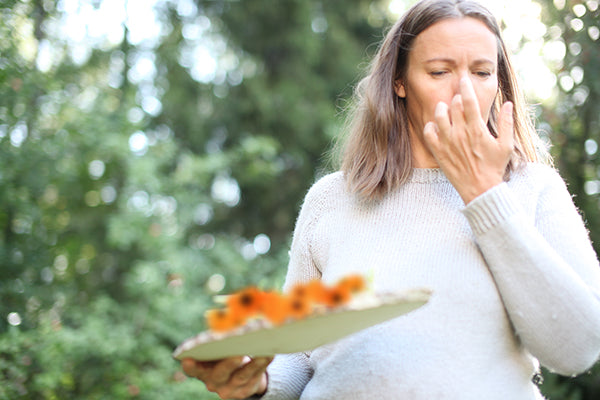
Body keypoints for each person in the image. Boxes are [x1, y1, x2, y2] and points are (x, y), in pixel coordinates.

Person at [181, 0, 600, 398]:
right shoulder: (331, 200)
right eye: (439, 72)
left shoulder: (534, 190)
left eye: (483, 72)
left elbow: (578, 347)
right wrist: (256, 382)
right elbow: (301, 358)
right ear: (399, 82)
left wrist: (484, 193)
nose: (466, 93)